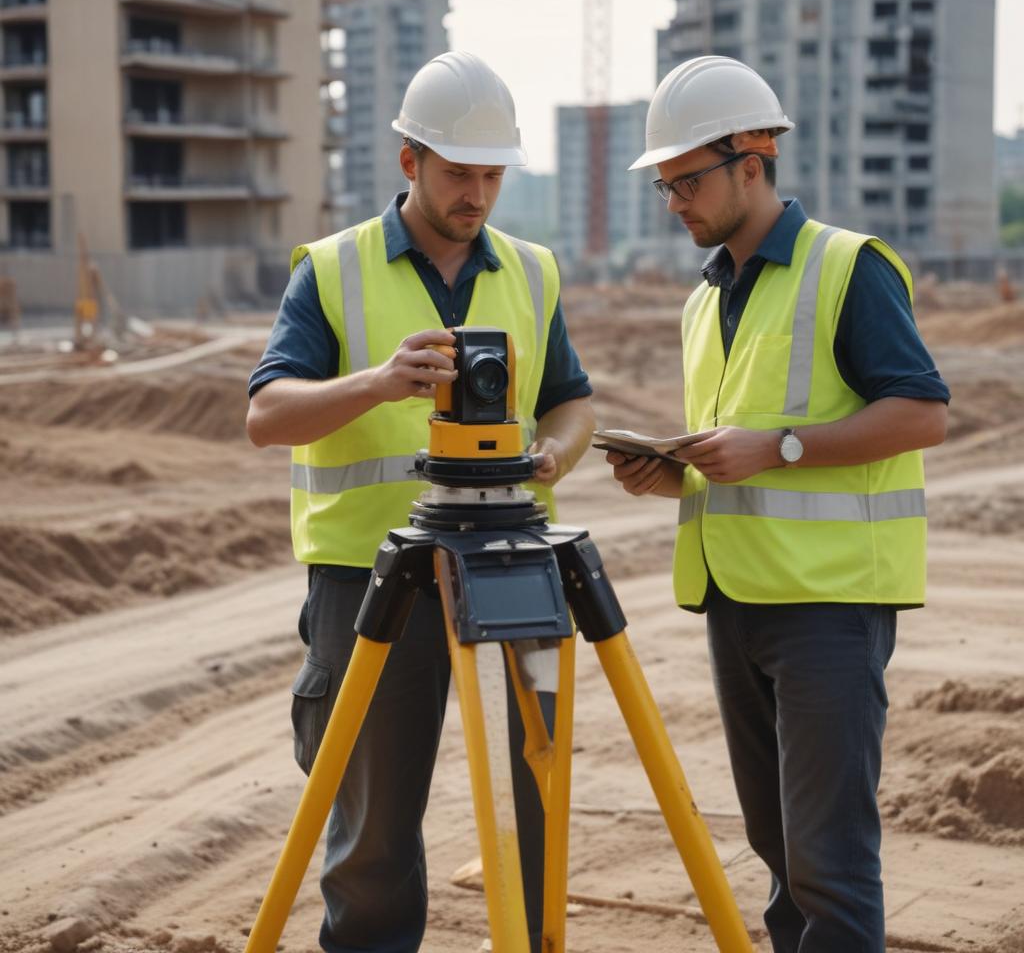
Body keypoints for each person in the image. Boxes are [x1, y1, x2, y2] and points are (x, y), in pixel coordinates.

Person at [246, 51, 595, 953]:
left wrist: (554, 451)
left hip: (511, 559)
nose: (478, 193)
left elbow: (571, 397)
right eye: (458, 173)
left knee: (537, 798)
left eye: (491, 174)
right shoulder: (332, 269)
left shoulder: (533, 270)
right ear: (410, 162)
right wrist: (378, 381)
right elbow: (265, 415)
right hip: (370, 579)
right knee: (370, 829)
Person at [607, 55, 949, 952]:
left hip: (829, 609)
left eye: (687, 180)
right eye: (665, 185)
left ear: (751, 163)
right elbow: (739, 447)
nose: (674, 200)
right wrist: (673, 470)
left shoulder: (848, 269)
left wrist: (779, 448)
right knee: (782, 855)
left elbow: (923, 413)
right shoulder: (703, 300)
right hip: (737, 601)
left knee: (829, 862)